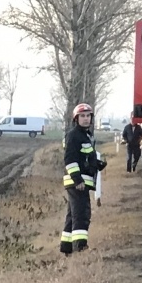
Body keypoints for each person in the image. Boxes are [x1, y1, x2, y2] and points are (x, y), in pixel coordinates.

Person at [60, 103, 101, 255]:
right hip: (77, 183)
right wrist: (77, 180)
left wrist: (97, 164)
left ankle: (67, 247)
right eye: (82, 116)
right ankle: (80, 247)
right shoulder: (74, 135)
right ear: (76, 119)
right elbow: (70, 160)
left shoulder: (85, 136)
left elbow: (84, 158)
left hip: (81, 182)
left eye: (88, 116)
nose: (85, 119)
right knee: (81, 215)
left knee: (72, 215)